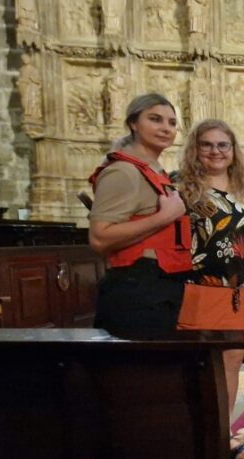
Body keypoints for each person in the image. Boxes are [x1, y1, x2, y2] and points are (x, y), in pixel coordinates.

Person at [174, 119, 244, 459]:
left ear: (233, 151)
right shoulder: (182, 189)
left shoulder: (242, 189)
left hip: (239, 289)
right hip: (201, 286)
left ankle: (222, 438)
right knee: (198, 366)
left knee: (232, 364)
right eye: (207, 144)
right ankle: (196, 440)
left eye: (223, 145)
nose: (216, 151)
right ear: (195, 149)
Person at [88, 93, 190, 336]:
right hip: (138, 287)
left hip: (162, 283)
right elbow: (100, 239)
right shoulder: (123, 172)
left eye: (171, 122)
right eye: (155, 119)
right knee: (141, 371)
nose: (165, 128)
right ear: (133, 123)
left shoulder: (153, 170)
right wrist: (163, 217)